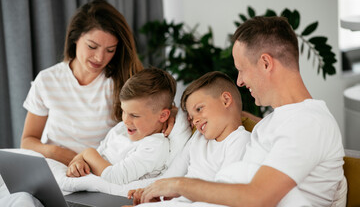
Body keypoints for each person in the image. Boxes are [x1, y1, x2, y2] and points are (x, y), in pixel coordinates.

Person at [131, 16, 345, 206]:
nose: (240, 81)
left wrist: (180, 185)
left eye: (242, 69)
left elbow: (258, 198)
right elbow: (231, 118)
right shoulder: (274, 122)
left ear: (265, 63)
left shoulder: (308, 123)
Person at [20, 0, 144, 166]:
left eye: (110, 50)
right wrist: (56, 152)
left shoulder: (124, 81)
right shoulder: (47, 80)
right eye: (92, 46)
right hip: (56, 166)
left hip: (101, 171)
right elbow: (28, 141)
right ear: (75, 38)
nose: (100, 58)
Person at [128, 71, 251, 205]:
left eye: (199, 109)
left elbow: (224, 194)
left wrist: (176, 190)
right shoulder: (198, 138)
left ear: (226, 100)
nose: (195, 121)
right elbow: (171, 176)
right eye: (191, 118)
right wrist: (149, 191)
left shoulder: (240, 140)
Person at [66, 68, 176, 185]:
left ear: (163, 116)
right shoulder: (120, 129)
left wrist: (86, 153)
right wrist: (79, 162)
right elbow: (98, 156)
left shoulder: (155, 146)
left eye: (134, 115)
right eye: (124, 111)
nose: (126, 120)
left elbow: (114, 177)